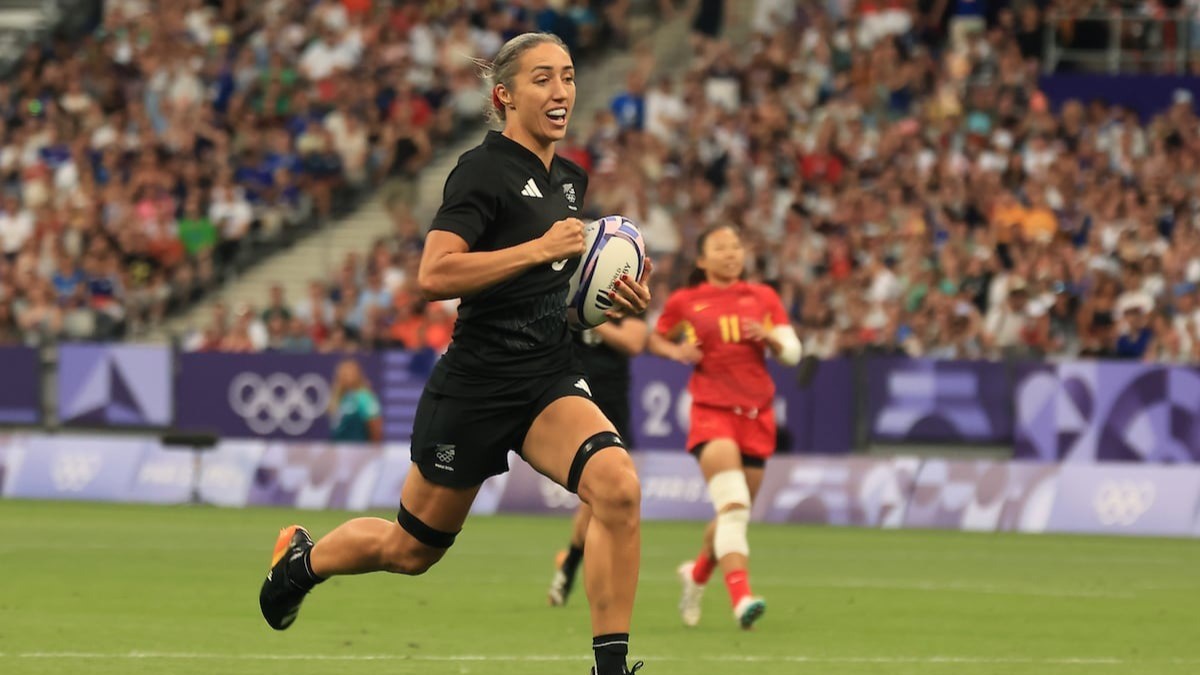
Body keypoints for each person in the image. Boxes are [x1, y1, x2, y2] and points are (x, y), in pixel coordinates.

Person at [258, 33, 652, 675]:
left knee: (618, 488)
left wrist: (608, 296)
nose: (561, 92)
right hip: (475, 384)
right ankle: (301, 562)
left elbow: (561, 283)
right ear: (505, 96)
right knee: (410, 549)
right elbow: (435, 275)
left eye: (569, 77)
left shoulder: (571, 180)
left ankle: (612, 668)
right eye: (543, 79)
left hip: (547, 376)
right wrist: (537, 250)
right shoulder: (480, 170)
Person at [648, 224, 802, 630]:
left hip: (756, 416)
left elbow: (793, 352)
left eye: (736, 245)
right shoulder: (686, 301)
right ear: (702, 260)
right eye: (720, 247)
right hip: (711, 412)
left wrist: (769, 337)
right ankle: (741, 599)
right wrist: (677, 349)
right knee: (734, 506)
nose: (731, 253)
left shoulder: (763, 297)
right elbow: (657, 339)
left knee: (732, 514)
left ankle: (696, 576)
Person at [548, 315, 648, 607]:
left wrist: (587, 317)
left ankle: (570, 566)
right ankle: (577, 571)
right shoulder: (567, 291)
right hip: (576, 400)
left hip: (613, 406)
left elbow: (633, 341)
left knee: (602, 499)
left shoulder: (626, 293)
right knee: (595, 497)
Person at [329, 358, 383, 442]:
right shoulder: (338, 398)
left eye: (350, 374)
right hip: (338, 449)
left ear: (357, 375)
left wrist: (373, 450)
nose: (346, 377)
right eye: (344, 374)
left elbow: (375, 426)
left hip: (358, 449)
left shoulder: (364, 397)